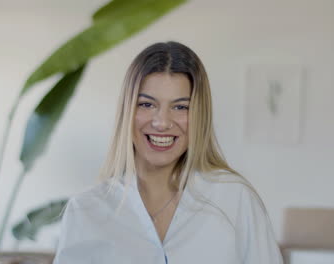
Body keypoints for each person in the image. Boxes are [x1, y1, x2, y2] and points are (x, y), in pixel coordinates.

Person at [53, 41, 283, 264]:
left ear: (198, 116)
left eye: (180, 107)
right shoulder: (86, 210)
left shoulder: (235, 200)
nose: (162, 122)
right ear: (128, 110)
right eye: (147, 104)